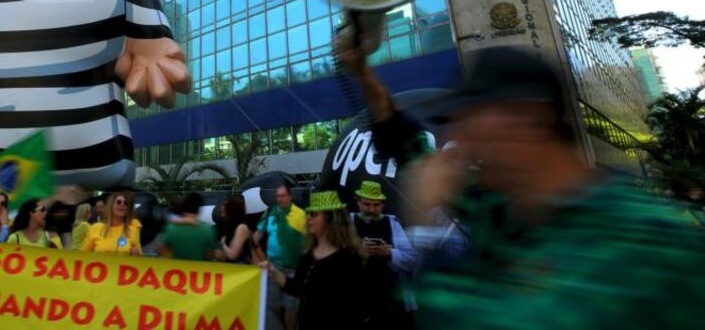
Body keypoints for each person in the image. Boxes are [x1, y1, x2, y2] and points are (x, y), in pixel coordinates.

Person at [336, 33, 705, 328]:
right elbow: (404, 140)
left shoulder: (640, 238)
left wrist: (427, 233)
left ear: (528, 118)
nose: (462, 141)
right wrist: (362, 72)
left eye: (469, 120)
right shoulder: (504, 206)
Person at [263, 191, 369, 329]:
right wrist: (273, 272)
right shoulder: (307, 256)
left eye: (313, 214)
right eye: (307, 214)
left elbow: (359, 306)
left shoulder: (349, 259)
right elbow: (297, 287)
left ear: (330, 218)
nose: (308, 218)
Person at [352, 181, 418, 329]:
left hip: (390, 298)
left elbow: (412, 258)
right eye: (366, 204)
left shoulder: (392, 223)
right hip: (357, 299)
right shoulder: (348, 223)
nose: (371, 209)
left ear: (382, 205)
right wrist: (358, 251)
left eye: (376, 205)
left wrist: (389, 253)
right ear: (358, 203)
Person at [253, 184, 306, 330]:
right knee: (271, 304)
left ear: (289, 196)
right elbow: (256, 237)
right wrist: (261, 258)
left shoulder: (300, 215)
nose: (280, 199)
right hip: (272, 267)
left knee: (291, 305)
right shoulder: (270, 212)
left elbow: (309, 240)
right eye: (278, 196)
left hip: (293, 267)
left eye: (283, 196)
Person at [158, 192, 215, 261]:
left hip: (176, 270)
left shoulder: (172, 228)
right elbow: (210, 255)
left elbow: (160, 250)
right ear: (199, 208)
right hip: (198, 270)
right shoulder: (207, 230)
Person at [81, 191, 142, 255]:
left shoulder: (133, 230)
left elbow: (140, 260)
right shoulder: (95, 228)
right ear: (111, 205)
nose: (122, 204)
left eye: (126, 203)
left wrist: (136, 255)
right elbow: (82, 255)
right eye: (119, 202)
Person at [219, 194, 253, 263]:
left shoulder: (241, 228)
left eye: (225, 205)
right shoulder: (230, 226)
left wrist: (223, 243)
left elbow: (232, 255)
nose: (222, 207)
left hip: (240, 271)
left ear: (232, 209)